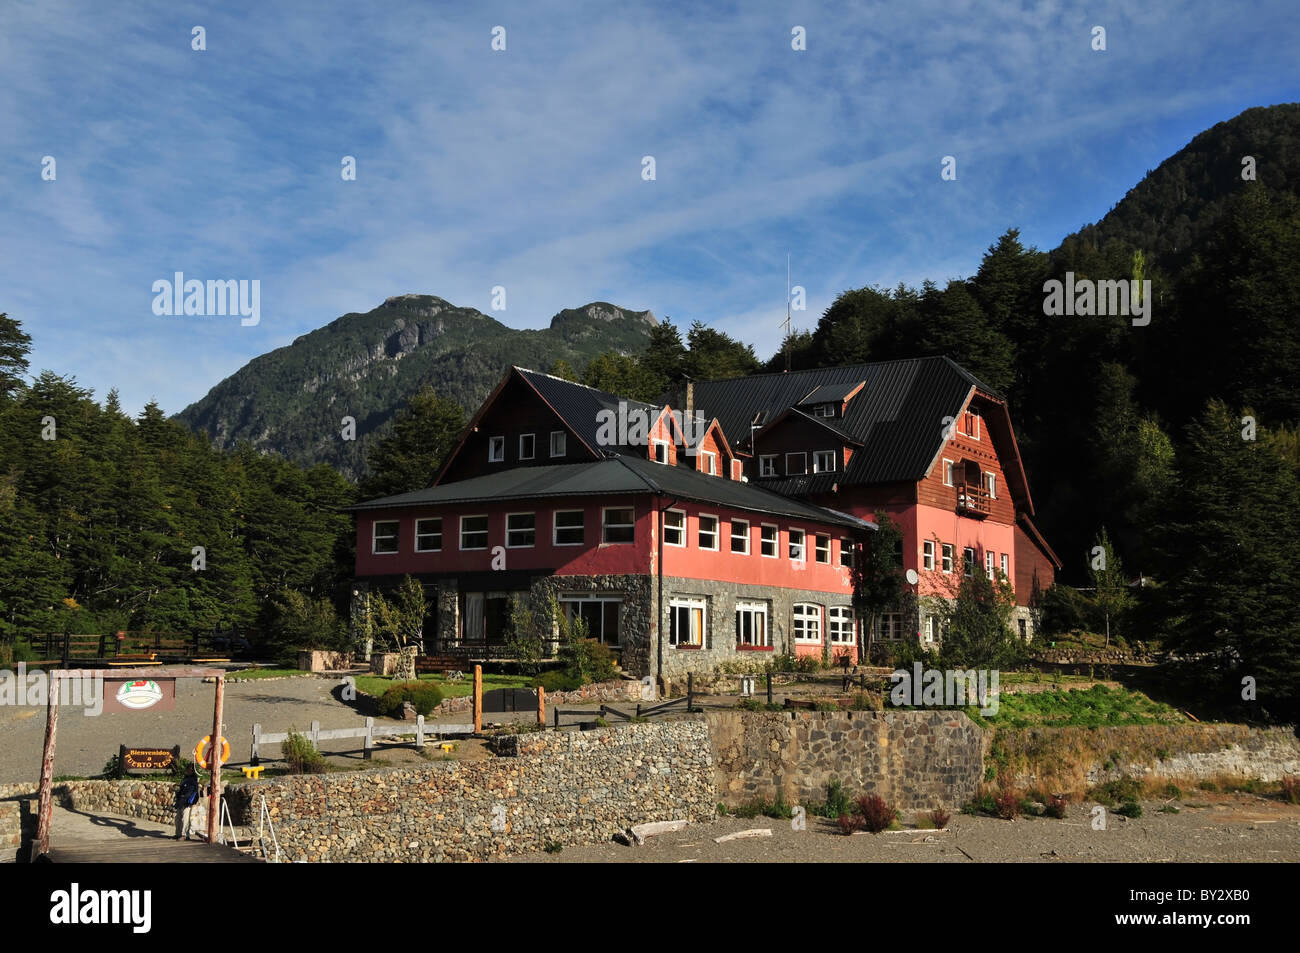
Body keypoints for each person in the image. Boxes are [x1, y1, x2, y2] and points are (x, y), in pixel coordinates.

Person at [173, 764, 202, 840]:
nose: (187, 771)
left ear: (192, 771)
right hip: (181, 801)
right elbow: (182, 789)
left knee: (185, 818)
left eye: (189, 769)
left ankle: (184, 835)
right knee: (178, 818)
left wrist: (187, 800)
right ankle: (178, 833)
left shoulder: (193, 780)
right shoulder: (186, 779)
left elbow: (192, 792)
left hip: (187, 802)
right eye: (187, 769)